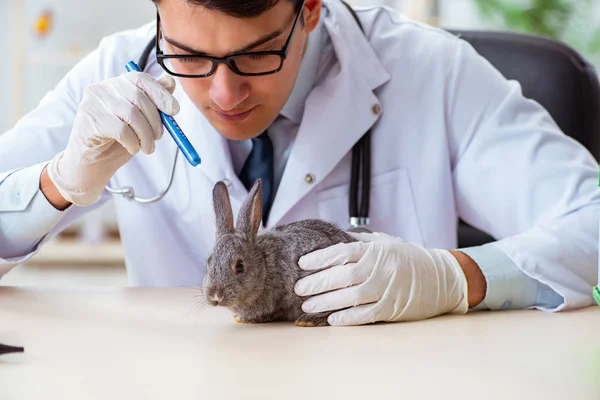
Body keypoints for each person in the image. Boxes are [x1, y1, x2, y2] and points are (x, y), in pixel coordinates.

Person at [0, 0, 598, 326]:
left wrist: (455, 278)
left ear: (309, 9)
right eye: (187, 54)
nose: (224, 93)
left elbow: (591, 218)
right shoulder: (117, 73)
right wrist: (57, 183)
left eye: (256, 54)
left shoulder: (434, 71)